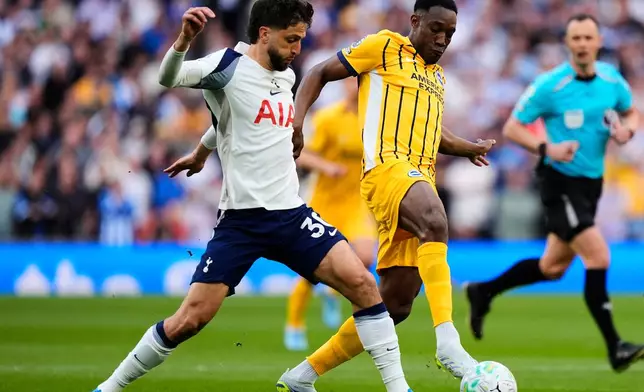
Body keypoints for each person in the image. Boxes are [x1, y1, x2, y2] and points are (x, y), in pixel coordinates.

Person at [91, 2, 415, 392]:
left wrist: (204, 148)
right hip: (241, 221)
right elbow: (168, 78)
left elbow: (238, 119)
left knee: (363, 284)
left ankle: (397, 388)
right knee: (190, 319)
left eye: (301, 39)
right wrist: (184, 40)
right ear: (264, 33)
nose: (297, 48)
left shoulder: (287, 76)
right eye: (291, 39)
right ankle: (108, 387)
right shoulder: (225, 66)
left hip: (291, 214)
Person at [276, 0, 497, 390]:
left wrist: (468, 147)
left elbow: (433, 132)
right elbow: (318, 72)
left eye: (450, 34)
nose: (443, 39)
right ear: (416, 21)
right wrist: (296, 122)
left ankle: (301, 376)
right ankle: (449, 343)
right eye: (436, 29)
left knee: (393, 306)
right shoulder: (384, 46)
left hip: (416, 178)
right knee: (435, 219)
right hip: (386, 170)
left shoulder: (437, 77)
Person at [464, 13, 643, 373]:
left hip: (591, 184)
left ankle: (482, 291)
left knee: (552, 267)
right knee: (599, 257)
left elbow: (630, 111)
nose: (582, 44)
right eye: (575, 38)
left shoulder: (612, 81)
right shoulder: (551, 85)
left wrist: (627, 130)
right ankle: (615, 346)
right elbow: (513, 128)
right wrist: (547, 148)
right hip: (557, 181)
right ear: (567, 43)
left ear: (598, 41)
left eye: (588, 38)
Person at [284, 78, 377, 351]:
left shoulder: (372, 120)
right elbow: (301, 155)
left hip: (356, 203)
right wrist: (326, 167)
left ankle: (334, 291)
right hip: (325, 203)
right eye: (353, 82)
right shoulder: (327, 118)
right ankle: (294, 323)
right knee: (310, 269)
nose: (357, 87)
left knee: (365, 257)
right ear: (345, 85)